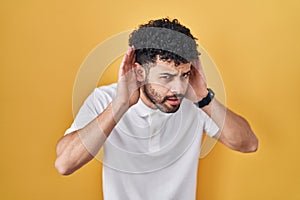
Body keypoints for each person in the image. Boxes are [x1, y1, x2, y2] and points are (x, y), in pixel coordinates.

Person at [55, 18, 258, 200]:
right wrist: (120, 105)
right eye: (166, 77)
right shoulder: (106, 99)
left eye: (184, 75)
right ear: (140, 73)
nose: (178, 89)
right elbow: (65, 164)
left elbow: (248, 144)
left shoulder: (193, 100)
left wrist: (204, 98)